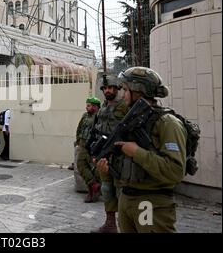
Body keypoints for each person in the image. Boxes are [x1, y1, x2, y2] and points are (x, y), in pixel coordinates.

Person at [96, 67, 187, 233]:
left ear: (138, 91)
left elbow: (175, 171)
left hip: (151, 203)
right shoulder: (132, 120)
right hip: (126, 199)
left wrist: (136, 152)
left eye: (125, 89)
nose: (122, 95)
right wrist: (106, 170)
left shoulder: (168, 123)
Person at [88, 75, 128, 233]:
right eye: (105, 88)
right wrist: (94, 152)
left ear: (117, 89)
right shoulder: (103, 107)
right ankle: (110, 224)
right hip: (104, 155)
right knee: (106, 189)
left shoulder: (125, 106)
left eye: (110, 88)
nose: (107, 90)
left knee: (121, 190)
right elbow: (96, 130)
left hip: (120, 154)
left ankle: (125, 225)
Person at [75, 97, 101, 203]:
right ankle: (94, 185)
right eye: (87, 105)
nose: (87, 107)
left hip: (93, 146)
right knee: (80, 165)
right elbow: (80, 127)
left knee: (93, 168)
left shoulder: (99, 116)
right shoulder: (85, 116)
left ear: (95, 106)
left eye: (89, 105)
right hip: (83, 144)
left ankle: (92, 192)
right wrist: (77, 140)